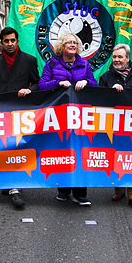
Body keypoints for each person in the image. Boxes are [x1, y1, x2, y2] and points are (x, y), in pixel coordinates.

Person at [0, 27, 40, 208]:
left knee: (17, 147)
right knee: (3, 146)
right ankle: (8, 180)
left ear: (17, 41)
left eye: (12, 40)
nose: (10, 44)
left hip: (21, 111)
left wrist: (29, 89)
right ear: (2, 42)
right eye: (6, 41)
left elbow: (37, 82)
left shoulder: (29, 61)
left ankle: (16, 187)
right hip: (0, 110)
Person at [39, 32, 97, 206]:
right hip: (59, 115)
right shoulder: (52, 63)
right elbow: (42, 85)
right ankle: (63, 190)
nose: (72, 45)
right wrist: (57, 83)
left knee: (80, 151)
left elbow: (95, 84)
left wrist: (87, 82)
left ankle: (80, 193)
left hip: (80, 115)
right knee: (62, 151)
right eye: (69, 42)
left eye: (75, 43)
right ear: (61, 46)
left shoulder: (84, 64)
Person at [99, 44, 132, 208]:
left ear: (128, 58)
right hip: (114, 125)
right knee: (116, 157)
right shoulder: (106, 77)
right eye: (115, 57)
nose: (117, 60)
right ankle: (118, 190)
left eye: (120, 57)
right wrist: (111, 93)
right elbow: (100, 103)